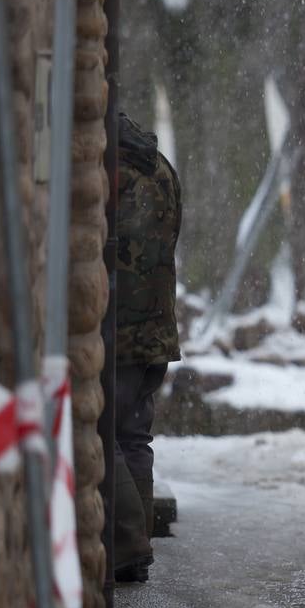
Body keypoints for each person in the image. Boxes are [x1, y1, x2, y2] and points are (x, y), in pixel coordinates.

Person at [112, 112, 182, 583]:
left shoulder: (107, 167)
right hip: (157, 325)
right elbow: (172, 234)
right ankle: (137, 551)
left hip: (116, 325)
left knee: (104, 432)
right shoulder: (160, 164)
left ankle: (125, 543)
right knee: (134, 435)